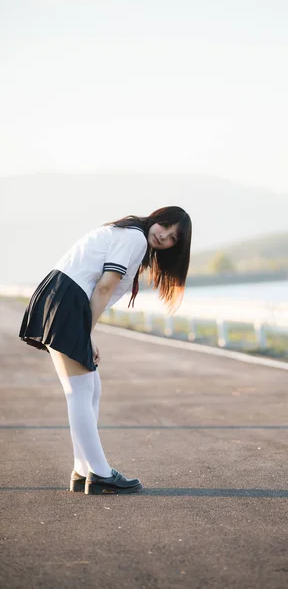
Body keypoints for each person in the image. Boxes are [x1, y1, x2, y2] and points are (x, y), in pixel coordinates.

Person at [19, 206, 192, 495]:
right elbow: (104, 288)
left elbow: (96, 289)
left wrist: (87, 335)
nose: (164, 236)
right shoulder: (135, 238)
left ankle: (82, 470)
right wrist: (85, 334)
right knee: (80, 390)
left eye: (173, 238)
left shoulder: (131, 235)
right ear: (157, 218)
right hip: (67, 300)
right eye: (165, 226)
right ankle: (100, 474)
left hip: (64, 297)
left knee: (90, 388)